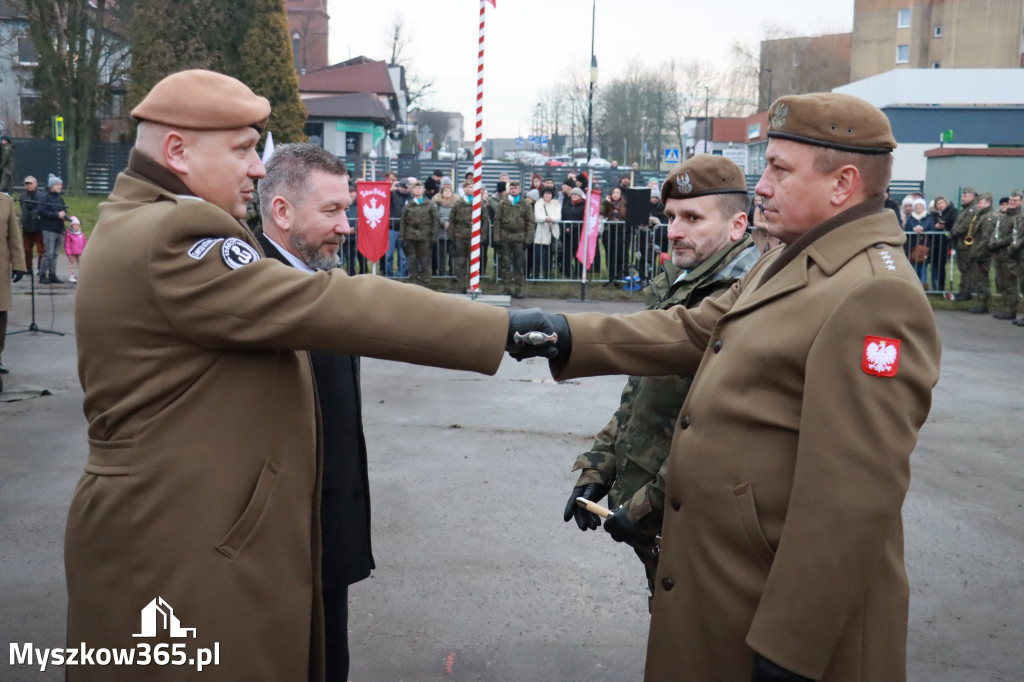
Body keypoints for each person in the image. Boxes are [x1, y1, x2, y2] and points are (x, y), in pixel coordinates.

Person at [67, 69, 514, 682]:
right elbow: (336, 305)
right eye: (244, 149)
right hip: (171, 548)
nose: (257, 166)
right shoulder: (175, 229)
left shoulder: (141, 218)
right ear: (176, 150)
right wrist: (513, 330)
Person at [510, 92, 941, 681]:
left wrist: (792, 647)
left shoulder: (874, 293)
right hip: (727, 580)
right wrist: (560, 333)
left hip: (786, 623)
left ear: (842, 184)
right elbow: (684, 332)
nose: (761, 186)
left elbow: (852, 498)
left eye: (780, 170)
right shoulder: (788, 262)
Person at [565, 155, 761, 609]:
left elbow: (718, 428)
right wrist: (600, 466)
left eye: (693, 218)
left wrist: (645, 506)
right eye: (671, 216)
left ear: (737, 227)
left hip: (693, 516)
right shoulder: (680, 281)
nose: (673, 230)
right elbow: (642, 392)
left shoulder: (744, 297)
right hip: (656, 512)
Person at [254, 143, 371, 681]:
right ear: (282, 212)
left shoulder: (318, 279)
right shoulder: (254, 286)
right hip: (283, 547)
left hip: (328, 535)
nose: (346, 226)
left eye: (346, 209)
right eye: (332, 211)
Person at [0, 190, 26, 379]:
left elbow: (14, 237)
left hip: (0, 270)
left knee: (0, 316)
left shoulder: (6, 201)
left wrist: (18, 265)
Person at [494, 179, 533, 297]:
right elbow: (497, 221)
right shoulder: (503, 203)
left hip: (519, 238)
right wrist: (497, 237)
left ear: (520, 190)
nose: (513, 190)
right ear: (508, 190)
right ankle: (506, 288)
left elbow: (530, 222)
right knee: (505, 264)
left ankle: (519, 289)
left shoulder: (525, 204)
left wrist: (528, 239)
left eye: (516, 188)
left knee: (519, 264)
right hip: (505, 237)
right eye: (511, 188)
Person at [987, 190, 1021, 320]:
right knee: (1001, 282)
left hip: (1010, 255)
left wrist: (998, 243)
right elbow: (996, 232)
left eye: (1015, 200)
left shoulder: (1019, 217)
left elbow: (1013, 236)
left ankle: (1011, 308)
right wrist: (992, 242)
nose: (1012, 203)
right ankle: (1006, 307)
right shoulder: (1004, 217)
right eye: (1011, 200)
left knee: (1009, 283)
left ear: (1021, 202)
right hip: (999, 255)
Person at [400, 180, 439, 287]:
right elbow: (403, 221)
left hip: (425, 236)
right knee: (412, 260)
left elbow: (435, 221)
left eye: (419, 188)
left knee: (425, 261)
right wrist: (402, 236)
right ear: (412, 191)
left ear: (423, 190)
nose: (417, 190)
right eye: (415, 188)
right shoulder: (409, 204)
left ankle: (425, 283)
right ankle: (413, 282)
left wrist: (433, 237)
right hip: (411, 236)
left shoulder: (430, 204)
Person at [450, 180, 487, 291]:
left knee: (474, 262)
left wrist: (482, 236)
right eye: (466, 187)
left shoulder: (479, 203)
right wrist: (452, 236)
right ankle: (461, 285)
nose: (468, 189)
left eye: (471, 187)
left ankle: (473, 285)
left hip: (474, 236)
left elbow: (485, 221)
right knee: (460, 261)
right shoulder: (458, 203)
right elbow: (452, 220)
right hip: (460, 235)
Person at [949, 187, 980, 302]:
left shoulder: (973, 210)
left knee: (967, 269)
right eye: (962, 196)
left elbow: (966, 225)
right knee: (963, 269)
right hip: (961, 244)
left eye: (965, 196)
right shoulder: (965, 210)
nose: (963, 198)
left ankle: (966, 291)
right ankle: (964, 291)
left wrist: (954, 233)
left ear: (973, 196)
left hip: (967, 245)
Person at [35, 174, 68, 284]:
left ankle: (52, 274)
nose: (60, 187)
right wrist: (56, 215)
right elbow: (41, 211)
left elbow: (63, 210)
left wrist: (66, 217)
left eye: (61, 185)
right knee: (48, 253)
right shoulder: (44, 196)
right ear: (51, 186)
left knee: (55, 254)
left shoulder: (59, 198)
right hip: (49, 228)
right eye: (58, 185)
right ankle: (43, 275)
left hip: (59, 229)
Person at [600, 185, 629, 282]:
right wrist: (606, 202)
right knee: (609, 254)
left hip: (620, 231)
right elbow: (601, 212)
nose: (615, 195)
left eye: (617, 193)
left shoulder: (624, 204)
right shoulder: (607, 203)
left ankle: (619, 274)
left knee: (619, 254)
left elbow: (626, 217)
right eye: (614, 193)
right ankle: (611, 275)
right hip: (609, 231)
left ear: (620, 195)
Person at [532, 186, 561, 279]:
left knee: (549, 257)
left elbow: (558, 217)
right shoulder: (538, 203)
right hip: (540, 233)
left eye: (549, 193)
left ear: (552, 195)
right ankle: (536, 275)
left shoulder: (556, 204)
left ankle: (547, 275)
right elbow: (537, 216)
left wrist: (551, 219)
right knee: (537, 256)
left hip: (552, 233)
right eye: (546, 193)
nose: (547, 195)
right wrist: (545, 218)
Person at [904, 197, 934, 286]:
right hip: (912, 245)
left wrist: (923, 229)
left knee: (923, 266)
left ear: (924, 207)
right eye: (916, 205)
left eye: (921, 205)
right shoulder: (910, 219)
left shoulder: (929, 218)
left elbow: (932, 228)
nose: (918, 207)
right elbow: (907, 229)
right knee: (913, 265)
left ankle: (923, 284)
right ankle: (914, 284)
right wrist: (913, 229)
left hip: (925, 245)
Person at [18, 175, 43, 274]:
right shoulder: (22, 196)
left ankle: (41, 269)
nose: (28, 186)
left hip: (39, 227)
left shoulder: (41, 195)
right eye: (27, 184)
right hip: (26, 227)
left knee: (41, 250)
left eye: (30, 183)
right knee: (27, 250)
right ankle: (28, 268)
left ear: (36, 184)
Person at [386, 178, 410, 278]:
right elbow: (384, 199)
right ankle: (389, 275)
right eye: (403, 186)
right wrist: (390, 189)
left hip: (405, 230)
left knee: (403, 255)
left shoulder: (411, 197)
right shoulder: (393, 195)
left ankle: (401, 275)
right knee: (389, 255)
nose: (405, 189)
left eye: (406, 187)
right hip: (392, 229)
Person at [64, 215, 87, 283]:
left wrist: (85, 251)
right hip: (72, 253)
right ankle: (71, 276)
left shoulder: (82, 234)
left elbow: (84, 243)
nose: (76, 226)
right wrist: (69, 253)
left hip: (80, 252)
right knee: (71, 265)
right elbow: (67, 245)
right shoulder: (69, 235)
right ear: (71, 226)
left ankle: (81, 275)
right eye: (75, 225)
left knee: (81, 264)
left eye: (78, 225)